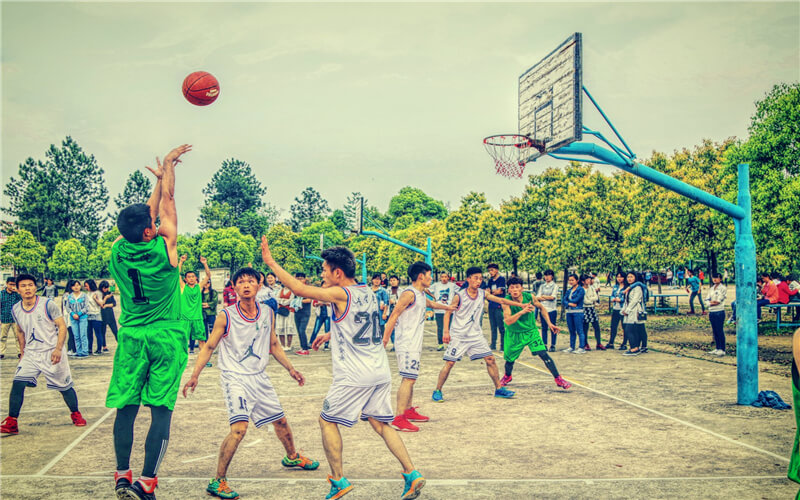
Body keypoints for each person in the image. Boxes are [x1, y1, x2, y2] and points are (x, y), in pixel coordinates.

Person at [260, 238, 426, 500]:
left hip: (354, 374)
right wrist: (331, 333)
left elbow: (299, 289)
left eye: (324, 270)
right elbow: (359, 324)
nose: (322, 274)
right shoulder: (367, 292)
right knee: (381, 423)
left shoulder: (340, 293)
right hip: (379, 370)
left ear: (338, 272)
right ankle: (412, 474)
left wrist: (271, 263)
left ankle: (338, 480)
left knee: (326, 420)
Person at [182, 267, 319, 500]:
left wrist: (291, 369)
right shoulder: (226, 315)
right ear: (234, 287)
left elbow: (273, 343)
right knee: (239, 429)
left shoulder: (267, 312)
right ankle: (218, 481)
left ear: (259, 285)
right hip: (234, 376)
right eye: (241, 282)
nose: (246, 285)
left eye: (251, 281)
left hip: (259, 376)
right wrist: (195, 374)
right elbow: (209, 346)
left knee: (282, 421)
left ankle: (292, 456)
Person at [107, 143, 191, 500]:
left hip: (131, 337)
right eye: (152, 224)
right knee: (160, 412)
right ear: (149, 232)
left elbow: (151, 212)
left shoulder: (117, 249)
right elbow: (168, 203)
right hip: (165, 337)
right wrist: (170, 168)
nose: (157, 224)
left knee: (126, 409)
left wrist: (156, 184)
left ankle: (122, 475)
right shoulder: (164, 250)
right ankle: (147, 481)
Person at [0, 274, 86, 435]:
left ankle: (75, 413)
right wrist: (22, 352)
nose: (27, 288)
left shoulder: (47, 304)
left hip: (51, 352)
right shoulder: (16, 309)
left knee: (64, 387)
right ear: (18, 289)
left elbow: (61, 326)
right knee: (17, 383)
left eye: (30, 285)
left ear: (35, 287)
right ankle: (12, 421)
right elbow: (20, 331)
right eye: (23, 286)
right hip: (31, 353)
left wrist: (58, 349)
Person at [432, 266, 525, 402]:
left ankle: (499, 389)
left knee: (490, 360)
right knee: (450, 363)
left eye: (481, 278)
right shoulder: (460, 296)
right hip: (459, 335)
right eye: (476, 278)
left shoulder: (482, 293)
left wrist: (521, 306)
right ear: (468, 279)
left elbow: (501, 300)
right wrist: (446, 332)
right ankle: (437, 390)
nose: (479, 281)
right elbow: (448, 313)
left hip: (475, 335)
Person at [382, 262, 455, 432]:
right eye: (429, 275)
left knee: (411, 378)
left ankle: (408, 411)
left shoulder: (420, 294)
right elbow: (393, 316)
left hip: (414, 343)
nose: (431, 278)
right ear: (421, 276)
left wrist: (449, 307)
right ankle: (399, 418)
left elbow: (432, 305)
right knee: (408, 378)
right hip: (406, 343)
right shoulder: (409, 294)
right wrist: (385, 340)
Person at [500, 277, 571, 390]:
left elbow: (542, 308)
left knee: (543, 353)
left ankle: (558, 378)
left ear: (522, 288)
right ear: (508, 290)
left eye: (517, 287)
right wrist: (522, 311)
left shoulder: (530, 297)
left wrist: (550, 323)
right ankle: (507, 376)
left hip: (530, 331)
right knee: (509, 359)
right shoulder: (506, 302)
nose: (515, 290)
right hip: (514, 333)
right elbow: (508, 321)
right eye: (512, 287)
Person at [180, 255, 212, 361]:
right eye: (189, 277)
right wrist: (181, 262)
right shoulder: (183, 287)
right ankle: (181, 360)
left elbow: (208, 276)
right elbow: (176, 274)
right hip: (185, 318)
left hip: (197, 318)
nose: (191, 278)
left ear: (196, 278)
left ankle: (203, 360)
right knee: (182, 340)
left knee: (202, 340)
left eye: (193, 276)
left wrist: (204, 263)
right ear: (186, 279)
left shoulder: (199, 287)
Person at [622, 272, 649, 356]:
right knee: (635, 329)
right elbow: (627, 301)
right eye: (628, 277)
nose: (629, 278)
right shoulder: (628, 288)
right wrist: (624, 310)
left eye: (631, 277)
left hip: (635, 311)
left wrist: (627, 310)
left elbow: (635, 300)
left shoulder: (637, 288)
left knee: (629, 329)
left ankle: (634, 348)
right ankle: (637, 346)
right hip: (630, 311)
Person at [430, 272, 457, 351]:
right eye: (442, 277)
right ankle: (440, 344)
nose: (444, 278)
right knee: (440, 327)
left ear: (448, 277)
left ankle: (450, 344)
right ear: (440, 278)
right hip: (439, 310)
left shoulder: (452, 285)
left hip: (449, 309)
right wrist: (433, 296)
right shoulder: (436, 285)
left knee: (450, 327)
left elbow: (460, 292)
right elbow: (426, 289)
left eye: (445, 277)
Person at [64, 279, 89, 358]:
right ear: (71, 287)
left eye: (78, 285)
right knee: (76, 335)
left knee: (83, 334)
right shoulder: (69, 296)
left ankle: (84, 351)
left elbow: (86, 307)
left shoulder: (84, 295)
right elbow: (67, 307)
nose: (76, 287)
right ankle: (78, 351)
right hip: (73, 318)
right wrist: (73, 314)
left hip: (83, 317)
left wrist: (79, 314)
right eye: (74, 285)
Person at [536, 269, 559, 352]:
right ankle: (544, 344)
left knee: (552, 327)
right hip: (543, 309)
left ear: (552, 276)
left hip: (551, 309)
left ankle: (553, 344)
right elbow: (537, 297)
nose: (547, 277)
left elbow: (553, 297)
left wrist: (543, 296)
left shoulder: (555, 286)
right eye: (545, 275)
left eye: (548, 275)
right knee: (544, 327)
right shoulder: (542, 286)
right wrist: (545, 297)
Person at [562, 274, 586, 354]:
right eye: (570, 280)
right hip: (569, 312)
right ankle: (572, 346)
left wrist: (569, 302)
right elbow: (563, 300)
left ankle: (581, 347)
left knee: (580, 330)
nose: (571, 282)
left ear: (577, 280)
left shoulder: (581, 290)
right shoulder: (569, 291)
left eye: (572, 280)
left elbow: (577, 300)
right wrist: (569, 304)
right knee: (571, 330)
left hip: (578, 312)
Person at [486, 263, 506, 351]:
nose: (491, 272)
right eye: (489, 270)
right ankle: (493, 344)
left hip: (499, 305)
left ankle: (503, 345)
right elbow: (488, 292)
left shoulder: (501, 279)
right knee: (493, 326)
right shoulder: (490, 281)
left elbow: (500, 291)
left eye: (492, 270)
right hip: (491, 305)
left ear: (497, 270)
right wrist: (492, 292)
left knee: (501, 326)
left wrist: (493, 292)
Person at [0, 277, 22, 359]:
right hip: (4, 318)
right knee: (2, 337)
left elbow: (23, 302)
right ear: (7, 284)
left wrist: (18, 292)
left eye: (14, 284)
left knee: (18, 337)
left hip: (16, 319)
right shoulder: (1, 294)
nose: (12, 286)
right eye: (10, 284)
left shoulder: (17, 294)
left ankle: (20, 352)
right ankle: (1, 352)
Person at [582, 274, 604, 350]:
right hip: (585, 309)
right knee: (585, 327)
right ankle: (585, 343)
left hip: (592, 308)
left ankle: (599, 343)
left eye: (589, 279)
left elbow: (596, 297)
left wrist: (590, 299)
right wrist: (592, 300)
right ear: (583, 281)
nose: (589, 281)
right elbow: (585, 301)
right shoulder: (581, 289)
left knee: (596, 326)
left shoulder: (591, 288)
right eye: (587, 279)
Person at [706, 272, 727, 356]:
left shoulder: (723, 288)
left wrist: (710, 303)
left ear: (720, 279)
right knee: (715, 330)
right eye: (713, 278)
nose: (715, 279)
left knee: (719, 330)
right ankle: (717, 347)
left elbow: (718, 301)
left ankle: (722, 348)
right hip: (712, 311)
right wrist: (710, 303)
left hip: (719, 311)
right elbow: (706, 299)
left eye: (717, 278)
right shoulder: (711, 288)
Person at [293, 272, 313, 356]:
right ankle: (302, 347)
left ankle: (305, 348)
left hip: (305, 312)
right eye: (297, 278)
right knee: (298, 330)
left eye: (301, 278)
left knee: (302, 330)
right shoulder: (295, 289)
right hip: (297, 311)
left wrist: (298, 301)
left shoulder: (307, 288)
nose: (299, 280)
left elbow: (309, 300)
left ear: (305, 279)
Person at [606, 272, 628, 350]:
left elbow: (627, 298)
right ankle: (611, 342)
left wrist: (620, 300)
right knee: (613, 326)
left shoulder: (627, 287)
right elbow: (612, 295)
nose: (619, 278)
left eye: (621, 277)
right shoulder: (615, 286)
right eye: (618, 277)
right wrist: (613, 298)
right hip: (615, 308)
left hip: (623, 309)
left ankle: (624, 344)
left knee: (624, 327)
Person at [85, 279, 106, 355]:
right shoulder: (87, 294)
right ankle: (89, 349)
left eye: (86, 286)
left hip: (96, 315)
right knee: (89, 333)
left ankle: (99, 349)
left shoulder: (98, 293)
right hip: (88, 315)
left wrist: (95, 298)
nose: (85, 287)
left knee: (98, 333)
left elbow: (101, 304)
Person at [276, 281, 297, 350]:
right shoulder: (280, 290)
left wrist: (282, 301)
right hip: (281, 311)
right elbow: (277, 298)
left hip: (289, 311)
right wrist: (283, 301)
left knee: (289, 327)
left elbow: (291, 299)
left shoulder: (292, 292)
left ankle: (288, 345)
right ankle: (283, 345)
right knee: (280, 327)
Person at [201, 279, 219, 350]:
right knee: (204, 330)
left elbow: (215, 302)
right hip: (203, 314)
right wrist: (204, 305)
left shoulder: (213, 292)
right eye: (205, 283)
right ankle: (206, 345)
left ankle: (213, 344)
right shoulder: (200, 292)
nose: (206, 284)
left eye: (208, 283)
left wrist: (208, 304)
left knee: (212, 330)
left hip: (211, 313)